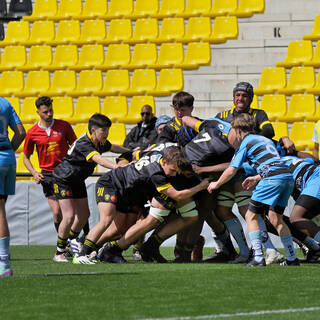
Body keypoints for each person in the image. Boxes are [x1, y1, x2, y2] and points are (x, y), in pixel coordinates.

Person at [73, 147, 209, 264]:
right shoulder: (157, 174)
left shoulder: (159, 154)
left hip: (131, 192)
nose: (173, 175)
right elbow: (177, 195)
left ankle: (103, 250)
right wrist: (201, 186)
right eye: (172, 170)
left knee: (119, 229)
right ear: (165, 162)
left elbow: (137, 153)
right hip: (111, 183)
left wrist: (132, 162)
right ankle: (82, 252)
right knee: (106, 219)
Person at [208, 113, 299, 267]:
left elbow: (232, 169)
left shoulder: (246, 142)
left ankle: (258, 257)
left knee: (251, 216)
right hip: (287, 177)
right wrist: (256, 178)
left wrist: (215, 184)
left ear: (237, 130)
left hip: (271, 178)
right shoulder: (264, 139)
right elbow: (271, 162)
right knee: (276, 218)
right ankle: (292, 259)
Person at [52, 113, 129, 262]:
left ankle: (71, 243)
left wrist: (131, 151)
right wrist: (115, 166)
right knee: (68, 216)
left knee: (84, 214)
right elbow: (97, 159)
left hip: (77, 180)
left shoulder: (99, 142)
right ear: (93, 130)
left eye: (107, 130)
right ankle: (59, 252)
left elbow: (114, 148)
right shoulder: (84, 143)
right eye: (103, 131)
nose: (106, 134)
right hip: (63, 179)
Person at [23, 96, 77, 234]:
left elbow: (76, 147)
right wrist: (34, 173)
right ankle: (63, 245)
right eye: (45, 112)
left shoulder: (64, 126)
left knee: (72, 212)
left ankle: (76, 241)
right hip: (47, 175)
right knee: (57, 213)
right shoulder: (32, 132)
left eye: (51, 110)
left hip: (66, 173)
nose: (49, 114)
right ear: (38, 113)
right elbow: (25, 158)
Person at [0, 97, 26, 277]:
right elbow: (21, 133)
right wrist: (9, 149)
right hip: (7, 158)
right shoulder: (5, 103)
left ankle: (3, 263)